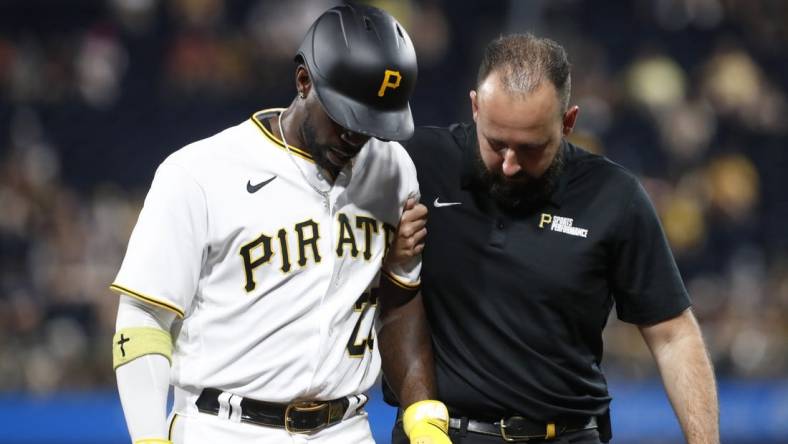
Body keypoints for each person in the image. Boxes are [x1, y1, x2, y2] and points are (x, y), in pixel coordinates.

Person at [110, 4, 449, 444]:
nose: (357, 135)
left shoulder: (393, 170)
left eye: (373, 124)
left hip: (346, 428)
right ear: (304, 80)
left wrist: (423, 413)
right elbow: (142, 321)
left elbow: (397, 303)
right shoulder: (199, 172)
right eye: (346, 115)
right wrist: (149, 437)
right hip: (224, 426)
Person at [388, 33, 719, 443]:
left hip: (568, 434)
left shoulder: (614, 196)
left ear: (568, 122)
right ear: (475, 106)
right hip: (442, 435)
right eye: (495, 143)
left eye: (529, 148)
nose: (509, 164)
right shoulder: (412, 163)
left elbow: (673, 334)